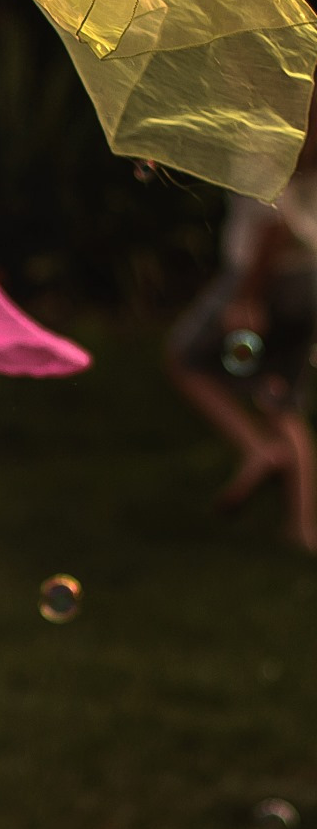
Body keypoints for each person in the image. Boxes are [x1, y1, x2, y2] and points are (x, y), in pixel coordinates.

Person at [165, 118, 317, 554]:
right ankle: (302, 528)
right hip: (308, 279)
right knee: (282, 398)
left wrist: (248, 298)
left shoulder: (269, 140)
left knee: (184, 358)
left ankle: (257, 449)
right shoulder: (309, 143)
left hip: (263, 280)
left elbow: (274, 226)